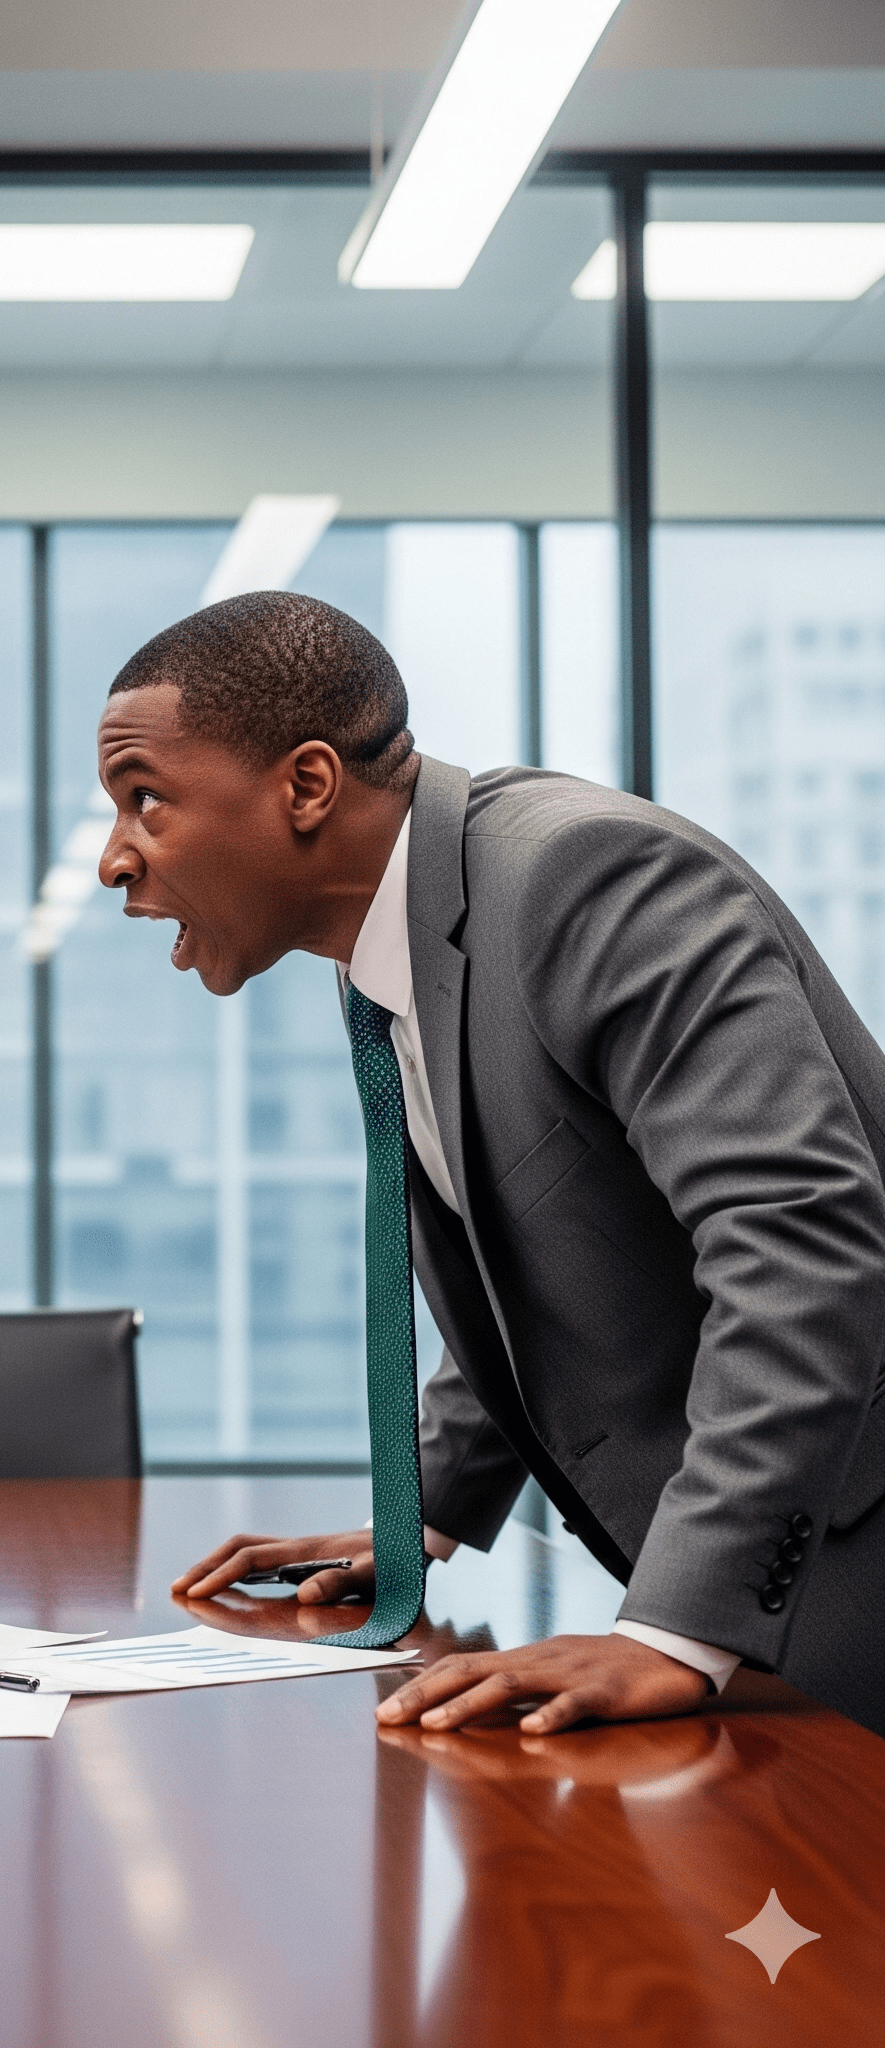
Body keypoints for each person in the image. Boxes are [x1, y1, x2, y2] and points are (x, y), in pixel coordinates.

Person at [96, 590, 885, 1738]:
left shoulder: (585, 879)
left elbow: (801, 1239)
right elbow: (531, 1240)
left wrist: (673, 1625)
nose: (116, 857)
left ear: (305, 786)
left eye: (143, 799)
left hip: (838, 1553)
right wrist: (422, 1505)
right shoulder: (390, 931)